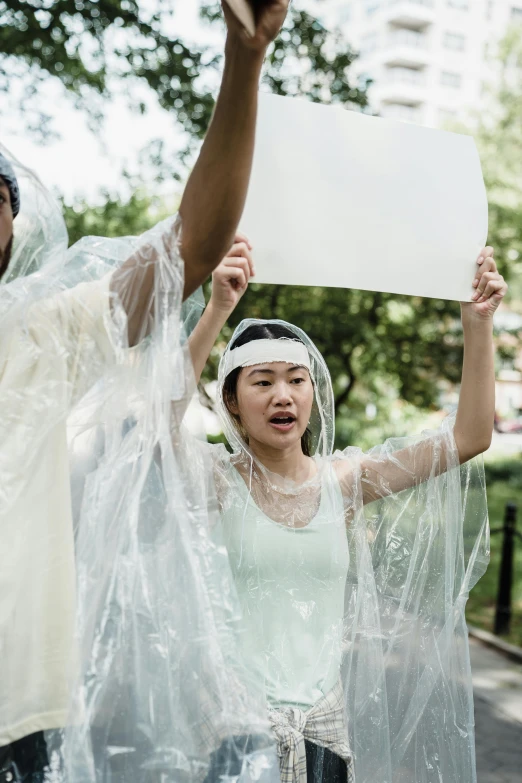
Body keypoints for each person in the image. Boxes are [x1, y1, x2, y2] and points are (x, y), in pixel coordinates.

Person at [0, 3, 290, 780]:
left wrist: (245, 60)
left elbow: (190, 246)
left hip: (16, 712)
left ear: (11, 225)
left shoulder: (39, 336)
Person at [186, 241, 507, 782]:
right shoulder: (212, 480)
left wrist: (477, 323)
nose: (282, 395)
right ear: (233, 403)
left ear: (313, 393)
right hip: (232, 730)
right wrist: (217, 308)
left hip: (323, 733)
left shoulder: (346, 481)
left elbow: (469, 437)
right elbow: (155, 418)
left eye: (295, 379)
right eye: (262, 382)